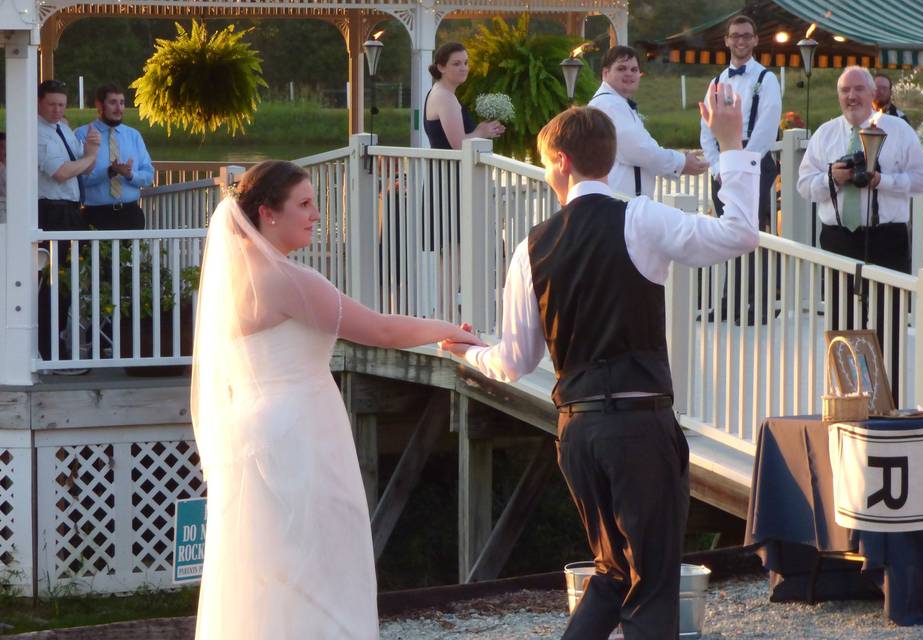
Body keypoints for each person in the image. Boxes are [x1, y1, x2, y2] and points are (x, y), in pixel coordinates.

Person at [442, 88, 759, 639]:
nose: (546, 175)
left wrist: (467, 351)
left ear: (561, 160)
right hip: (639, 424)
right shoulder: (640, 218)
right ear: (608, 158)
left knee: (613, 573)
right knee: (652, 583)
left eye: (545, 165)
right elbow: (739, 234)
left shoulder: (530, 247)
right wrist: (730, 148)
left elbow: (514, 362)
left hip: (578, 433)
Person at [190, 160, 481, 640]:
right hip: (300, 433)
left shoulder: (236, 280)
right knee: (322, 561)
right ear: (267, 213)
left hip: (254, 431)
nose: (317, 215)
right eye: (304, 205)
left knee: (267, 570)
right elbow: (381, 330)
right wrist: (450, 330)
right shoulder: (289, 280)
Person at [797, 66, 923, 398]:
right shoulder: (825, 134)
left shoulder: (898, 131)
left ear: (874, 93)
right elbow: (803, 186)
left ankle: (888, 400)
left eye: (858, 89)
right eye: (845, 90)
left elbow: (922, 179)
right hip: (838, 236)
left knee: (889, 322)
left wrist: (882, 181)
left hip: (886, 236)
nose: (851, 96)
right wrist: (833, 178)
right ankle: (847, 398)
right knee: (842, 320)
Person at [37, 79, 100, 368]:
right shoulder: (36, 132)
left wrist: (90, 153)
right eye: (52, 104)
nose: (57, 110)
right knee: (52, 284)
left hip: (72, 211)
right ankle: (49, 352)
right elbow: (62, 172)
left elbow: (84, 168)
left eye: (61, 104)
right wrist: (88, 157)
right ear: (39, 102)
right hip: (51, 211)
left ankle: (61, 347)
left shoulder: (63, 128)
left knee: (68, 282)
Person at [589, 45, 708, 198]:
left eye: (634, 70)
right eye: (621, 68)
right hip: (617, 202)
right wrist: (681, 162)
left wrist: (679, 159)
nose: (629, 74)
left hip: (617, 200)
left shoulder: (613, 103)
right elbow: (639, 150)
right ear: (605, 73)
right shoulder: (610, 105)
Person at [700, 14, 781, 225]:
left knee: (753, 230)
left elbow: (766, 129)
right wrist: (718, 168)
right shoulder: (716, 82)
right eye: (735, 36)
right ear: (726, 40)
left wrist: (743, 166)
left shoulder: (767, 79)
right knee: (725, 230)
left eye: (746, 36)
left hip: (754, 161)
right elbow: (706, 131)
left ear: (755, 40)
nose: (741, 41)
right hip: (722, 161)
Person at [76, 84, 154, 230]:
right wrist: (109, 172)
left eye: (122, 103)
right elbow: (78, 179)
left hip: (130, 214)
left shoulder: (133, 136)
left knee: (132, 253)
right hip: (96, 214)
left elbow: (148, 175)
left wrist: (130, 175)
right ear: (99, 105)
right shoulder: (83, 135)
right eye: (113, 102)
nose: (119, 108)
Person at [424, 42, 504, 150]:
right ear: (441, 67)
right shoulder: (445, 97)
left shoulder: (438, 92)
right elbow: (459, 145)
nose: (464, 68)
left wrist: (482, 129)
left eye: (465, 63)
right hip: (449, 166)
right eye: (456, 64)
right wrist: (481, 132)